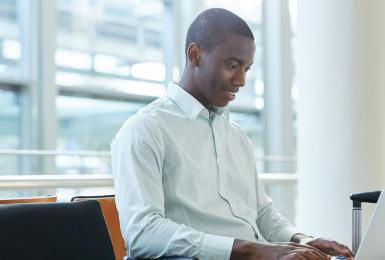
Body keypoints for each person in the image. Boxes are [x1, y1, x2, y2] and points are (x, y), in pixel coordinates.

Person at [111, 8, 354, 260]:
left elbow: (261, 214)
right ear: (195, 55)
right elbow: (142, 234)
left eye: (246, 69)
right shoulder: (145, 130)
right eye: (232, 66)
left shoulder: (236, 136)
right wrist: (250, 250)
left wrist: (303, 240)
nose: (241, 81)